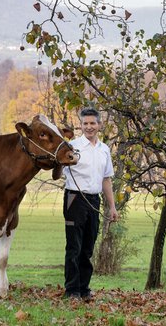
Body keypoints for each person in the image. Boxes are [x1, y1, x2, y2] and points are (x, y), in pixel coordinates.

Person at [62, 107, 119, 300]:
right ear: (81, 125)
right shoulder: (72, 146)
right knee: (74, 247)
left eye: (92, 123)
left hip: (94, 200)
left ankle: (84, 289)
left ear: (99, 125)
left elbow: (106, 180)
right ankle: (72, 291)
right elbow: (57, 170)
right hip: (74, 199)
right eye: (85, 123)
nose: (89, 127)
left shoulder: (104, 150)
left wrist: (112, 207)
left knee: (87, 248)